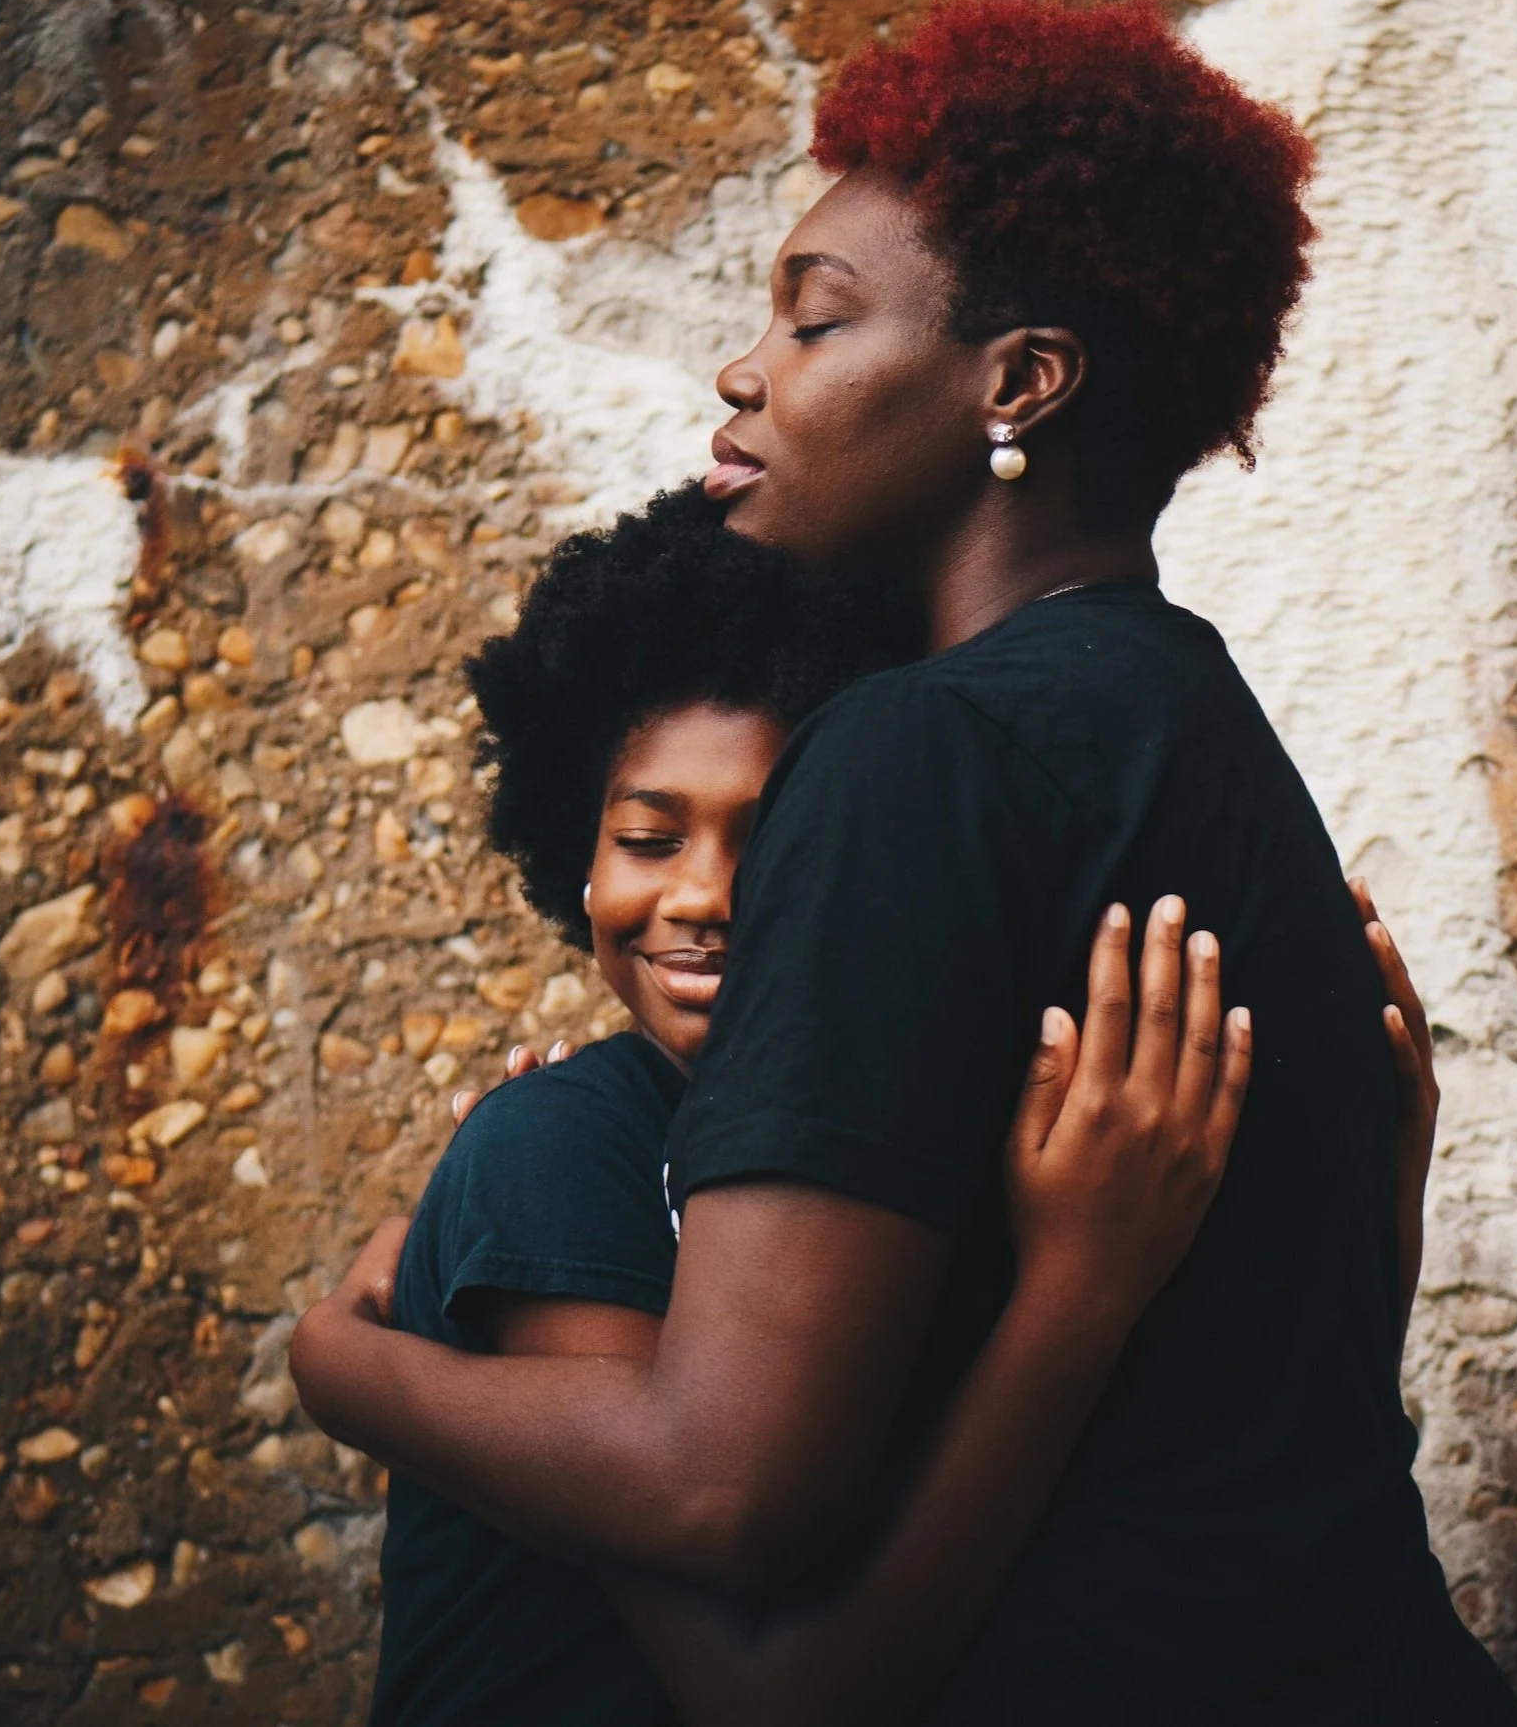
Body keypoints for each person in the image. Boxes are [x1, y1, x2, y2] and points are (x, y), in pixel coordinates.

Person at [294, 0, 1517, 1722]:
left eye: (813, 320)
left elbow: (726, 1488)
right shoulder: (1201, 732)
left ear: (1017, 382)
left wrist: (342, 1364)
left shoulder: (914, 753)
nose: (745, 371)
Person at [371, 485, 1254, 1725]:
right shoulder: (560, 1146)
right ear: (577, 855)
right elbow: (776, 1696)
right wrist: (1079, 1292)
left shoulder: (897, 1151)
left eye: (774, 838)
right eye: (649, 839)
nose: (703, 896)